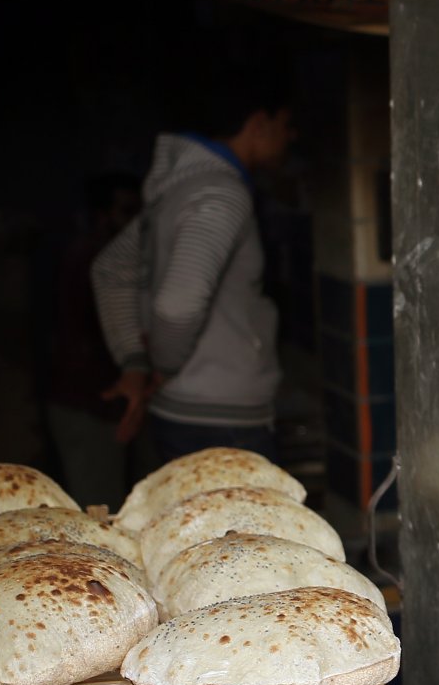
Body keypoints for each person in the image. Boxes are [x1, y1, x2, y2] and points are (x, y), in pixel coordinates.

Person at [92, 69, 296, 464]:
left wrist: (134, 360)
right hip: (222, 420)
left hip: (187, 413)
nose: (292, 136)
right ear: (258, 123)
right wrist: (161, 369)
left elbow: (111, 267)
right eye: (287, 124)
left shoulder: (180, 190)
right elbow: (178, 304)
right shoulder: (221, 193)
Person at [45, 173, 146, 510]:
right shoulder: (100, 261)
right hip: (89, 404)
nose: (134, 224)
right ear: (102, 215)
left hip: (102, 402)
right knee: (98, 510)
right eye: (126, 211)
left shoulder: (105, 256)